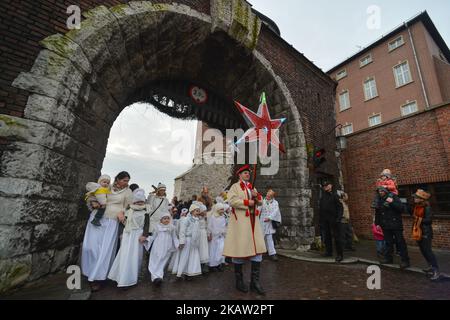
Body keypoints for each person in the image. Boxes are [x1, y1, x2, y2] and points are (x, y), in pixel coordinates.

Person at [81, 171, 133, 292]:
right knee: (90, 247)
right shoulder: (107, 185)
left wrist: (123, 212)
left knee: (105, 250)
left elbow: (130, 207)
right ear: (118, 179)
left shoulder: (128, 192)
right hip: (97, 218)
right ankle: (89, 271)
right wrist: (93, 201)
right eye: (124, 180)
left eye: (128, 181)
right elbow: (91, 190)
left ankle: (97, 278)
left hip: (112, 222)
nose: (126, 183)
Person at [223, 165, 266, 295]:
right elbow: (231, 200)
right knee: (240, 250)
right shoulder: (235, 187)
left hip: (253, 223)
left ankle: (255, 283)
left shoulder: (252, 187)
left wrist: (256, 196)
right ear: (239, 175)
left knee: (257, 251)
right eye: (245, 172)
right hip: (241, 223)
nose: (247, 174)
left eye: (248, 173)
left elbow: (261, 202)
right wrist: (248, 202)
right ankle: (239, 281)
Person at [108, 188, 147, 288]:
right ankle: (122, 278)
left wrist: (144, 235)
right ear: (134, 201)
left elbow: (147, 225)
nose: (139, 203)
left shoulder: (146, 212)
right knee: (125, 256)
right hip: (128, 235)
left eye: (141, 201)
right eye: (137, 201)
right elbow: (123, 222)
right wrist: (121, 232)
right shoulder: (128, 211)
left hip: (138, 236)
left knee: (135, 257)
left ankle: (131, 278)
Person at [408, 189, 441, 281]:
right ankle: (430, 266)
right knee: (423, 251)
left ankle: (436, 271)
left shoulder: (427, 208)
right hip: (418, 232)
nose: (414, 198)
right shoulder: (416, 207)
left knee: (428, 252)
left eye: (416, 197)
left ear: (421, 199)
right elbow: (410, 213)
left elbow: (429, 220)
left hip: (426, 233)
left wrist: (418, 219)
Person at [377, 186, 410, 269]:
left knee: (400, 243)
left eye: (382, 191)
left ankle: (405, 261)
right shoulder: (379, 199)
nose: (380, 192)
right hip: (385, 225)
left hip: (396, 225)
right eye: (379, 191)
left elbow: (402, 209)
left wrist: (392, 202)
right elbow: (378, 212)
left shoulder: (393, 197)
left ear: (385, 191)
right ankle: (389, 259)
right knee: (388, 243)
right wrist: (377, 223)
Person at [144, 212, 179, 286]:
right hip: (157, 247)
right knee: (156, 260)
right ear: (161, 220)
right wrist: (147, 239)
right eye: (164, 218)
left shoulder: (172, 228)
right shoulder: (157, 227)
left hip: (167, 248)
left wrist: (177, 245)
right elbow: (153, 236)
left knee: (162, 262)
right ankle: (155, 277)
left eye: (168, 218)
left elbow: (174, 237)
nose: (166, 220)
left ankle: (159, 276)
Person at [171, 203, 202, 280]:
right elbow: (182, 231)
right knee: (184, 256)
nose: (198, 212)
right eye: (196, 211)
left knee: (192, 257)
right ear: (191, 211)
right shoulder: (186, 219)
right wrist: (182, 241)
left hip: (194, 242)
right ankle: (179, 273)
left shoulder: (197, 220)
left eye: (198, 211)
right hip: (187, 240)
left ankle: (189, 273)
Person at [319, 182, 344, 262]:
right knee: (327, 236)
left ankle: (340, 255)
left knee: (337, 237)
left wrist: (338, 218)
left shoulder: (335, 195)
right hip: (325, 220)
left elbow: (340, 208)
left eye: (326, 185)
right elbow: (321, 208)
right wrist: (321, 219)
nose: (325, 187)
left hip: (334, 219)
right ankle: (329, 252)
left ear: (331, 186)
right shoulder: (323, 196)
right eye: (324, 186)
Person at [259, 189, 282, 261]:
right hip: (262, 221)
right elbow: (258, 209)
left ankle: (272, 253)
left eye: (269, 196)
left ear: (272, 197)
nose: (267, 197)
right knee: (261, 238)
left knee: (269, 238)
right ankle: (258, 253)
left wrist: (269, 218)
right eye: (267, 195)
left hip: (269, 222)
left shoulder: (275, 203)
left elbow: (276, 211)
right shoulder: (262, 201)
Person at [208, 203, 227, 271]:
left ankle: (219, 263)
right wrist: (209, 234)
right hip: (214, 236)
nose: (222, 211)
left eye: (223, 209)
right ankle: (213, 265)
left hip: (221, 236)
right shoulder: (213, 217)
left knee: (220, 250)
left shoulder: (223, 217)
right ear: (217, 209)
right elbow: (210, 226)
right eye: (221, 209)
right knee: (214, 250)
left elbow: (224, 226)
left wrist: (224, 232)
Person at [198, 203, 210, 274]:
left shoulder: (206, 218)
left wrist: (208, 234)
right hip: (199, 234)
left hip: (204, 234)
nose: (205, 212)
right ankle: (198, 264)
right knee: (200, 249)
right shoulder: (197, 218)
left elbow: (208, 226)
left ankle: (203, 264)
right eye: (204, 211)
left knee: (204, 249)